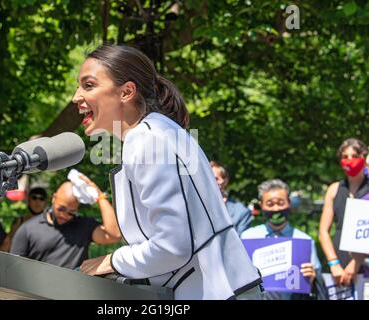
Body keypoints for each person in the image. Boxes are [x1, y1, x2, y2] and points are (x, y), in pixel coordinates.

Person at [74, 44, 262, 300]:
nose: (76, 97)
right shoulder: (161, 131)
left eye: (88, 85)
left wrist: (112, 260)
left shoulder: (146, 139)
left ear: (127, 92)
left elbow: (172, 247)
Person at [10, 178, 122, 269]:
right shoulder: (28, 228)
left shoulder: (83, 226)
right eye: (61, 209)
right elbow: (14, 268)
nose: (64, 215)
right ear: (54, 198)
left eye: (71, 213)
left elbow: (115, 235)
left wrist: (100, 197)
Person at [241, 179, 322, 300]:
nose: (275, 208)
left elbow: (315, 283)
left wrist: (311, 278)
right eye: (269, 204)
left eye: (280, 202)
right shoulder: (248, 238)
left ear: (289, 203)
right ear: (261, 204)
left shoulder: (304, 241)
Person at [319, 138, 369, 286]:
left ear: (363, 158)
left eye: (354, 156)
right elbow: (323, 231)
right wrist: (333, 263)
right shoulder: (334, 189)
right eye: (345, 157)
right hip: (338, 267)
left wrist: (355, 264)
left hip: (364, 266)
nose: (350, 160)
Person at [210, 161, 252, 235]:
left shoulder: (241, 212)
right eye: (207, 178)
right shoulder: (192, 207)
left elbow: (241, 242)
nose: (210, 181)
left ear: (225, 181)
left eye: (215, 178)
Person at [2, 187, 48, 252]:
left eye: (41, 198)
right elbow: (7, 243)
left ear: (45, 203)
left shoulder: (49, 224)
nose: (38, 201)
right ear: (28, 200)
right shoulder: (19, 221)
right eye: (34, 198)